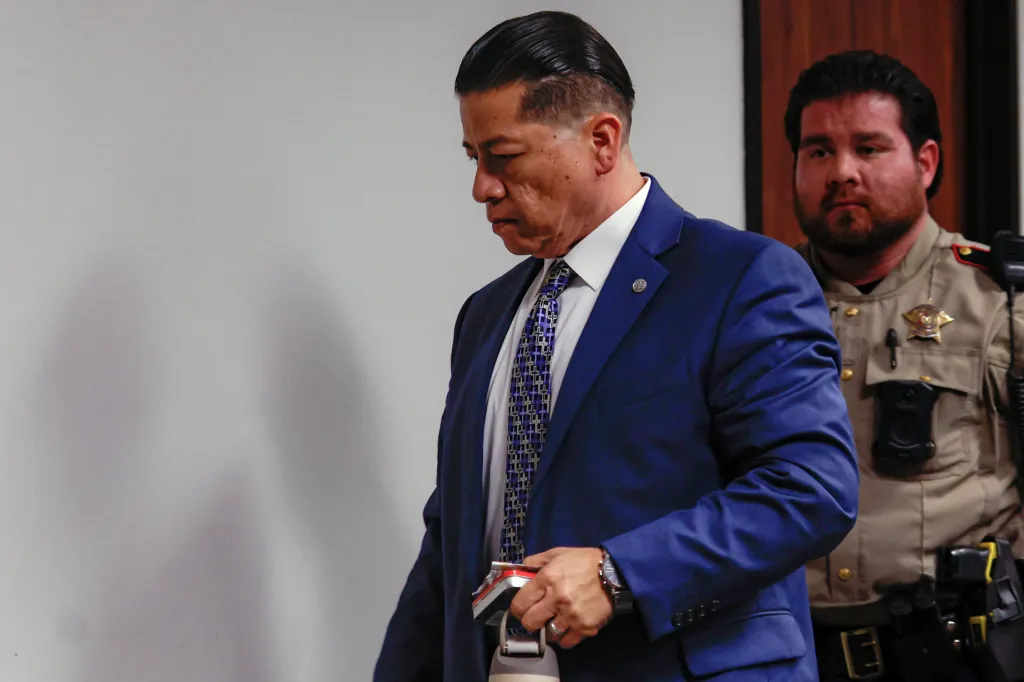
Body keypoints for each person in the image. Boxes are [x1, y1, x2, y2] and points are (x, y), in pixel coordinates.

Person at [374, 11, 860, 682]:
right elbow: (450, 542)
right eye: (474, 159)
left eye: (503, 157)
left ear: (602, 140)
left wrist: (620, 572)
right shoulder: (484, 317)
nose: (482, 187)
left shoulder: (741, 280)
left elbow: (811, 490)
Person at [786, 49, 1024, 681]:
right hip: (788, 655)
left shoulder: (1000, 301)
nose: (841, 172)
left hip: (951, 655)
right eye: (817, 151)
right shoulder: (752, 304)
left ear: (925, 162)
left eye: (868, 148)